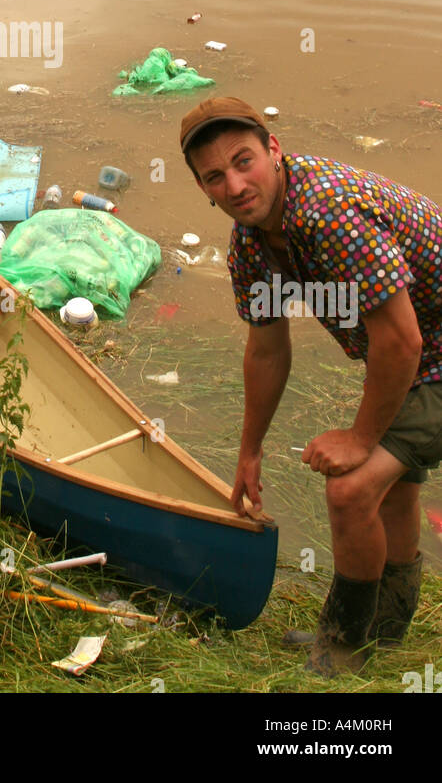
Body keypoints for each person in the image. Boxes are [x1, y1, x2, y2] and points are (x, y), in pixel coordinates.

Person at [179, 98, 442, 678]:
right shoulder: (251, 245)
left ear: (274, 150)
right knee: (392, 492)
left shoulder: (328, 213)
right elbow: (267, 350)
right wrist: (250, 451)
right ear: (204, 189)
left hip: (427, 352)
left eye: (244, 161)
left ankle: (341, 649)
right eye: (216, 176)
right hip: (422, 351)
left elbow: (401, 344)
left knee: (351, 489)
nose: (236, 185)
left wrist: (358, 436)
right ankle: (385, 634)